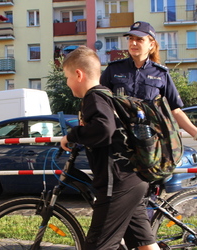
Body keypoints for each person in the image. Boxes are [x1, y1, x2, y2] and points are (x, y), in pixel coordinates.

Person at [60, 46, 160, 249]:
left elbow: (104, 129)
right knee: (145, 244)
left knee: (99, 245)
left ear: (78, 74)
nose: (67, 83)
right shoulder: (107, 95)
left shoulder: (93, 97)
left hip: (117, 184)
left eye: (67, 78)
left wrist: (73, 135)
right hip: (133, 180)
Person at [100, 21, 197, 139]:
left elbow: (175, 110)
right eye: (130, 39)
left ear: (151, 44)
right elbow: (99, 101)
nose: (133, 43)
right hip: (119, 139)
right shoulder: (113, 69)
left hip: (150, 141)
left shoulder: (161, 73)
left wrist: (195, 132)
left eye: (139, 39)